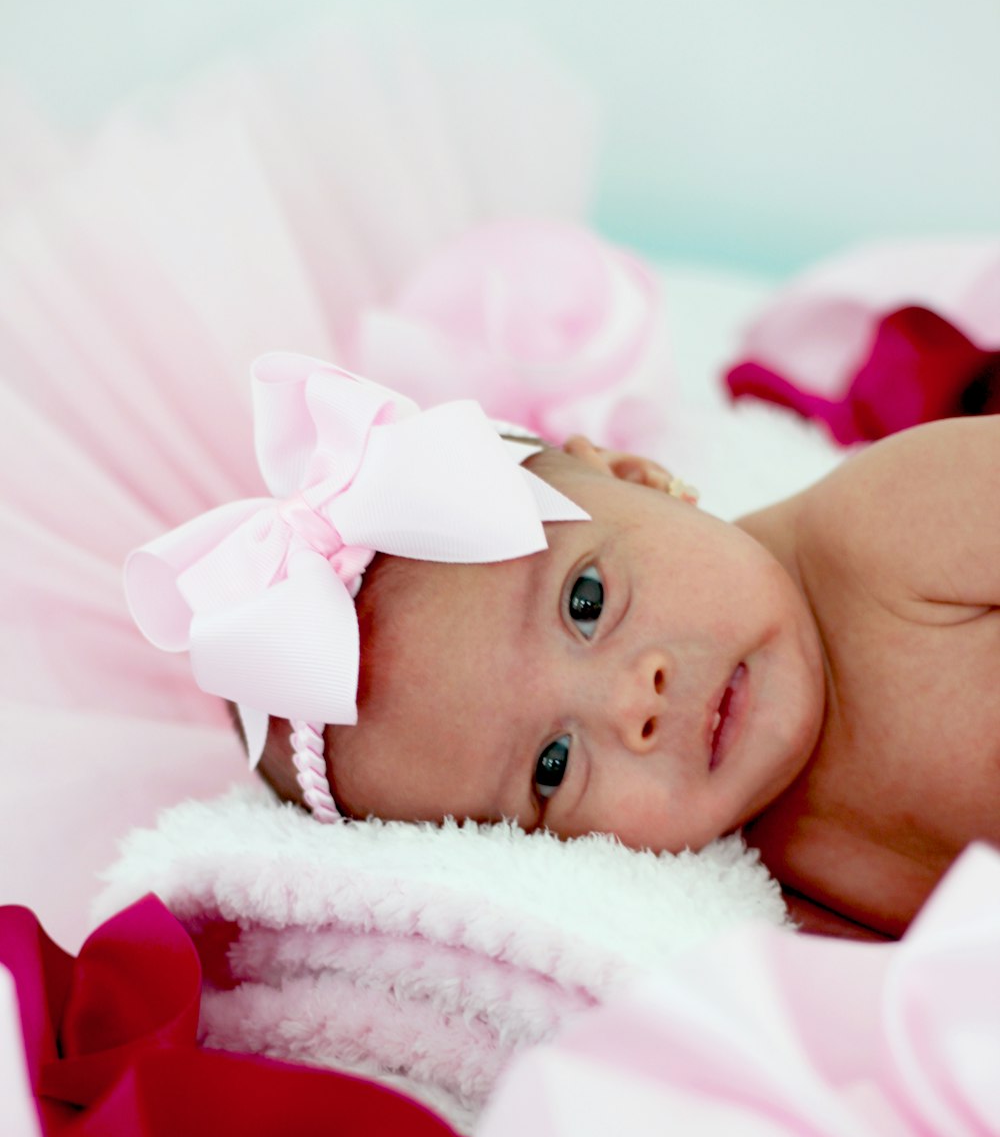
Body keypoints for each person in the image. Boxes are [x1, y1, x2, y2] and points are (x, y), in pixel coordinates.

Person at [127, 353, 1000, 943]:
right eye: (552, 766)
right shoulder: (762, 889)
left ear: (637, 476)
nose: (636, 705)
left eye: (588, 601)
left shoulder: (892, 528)